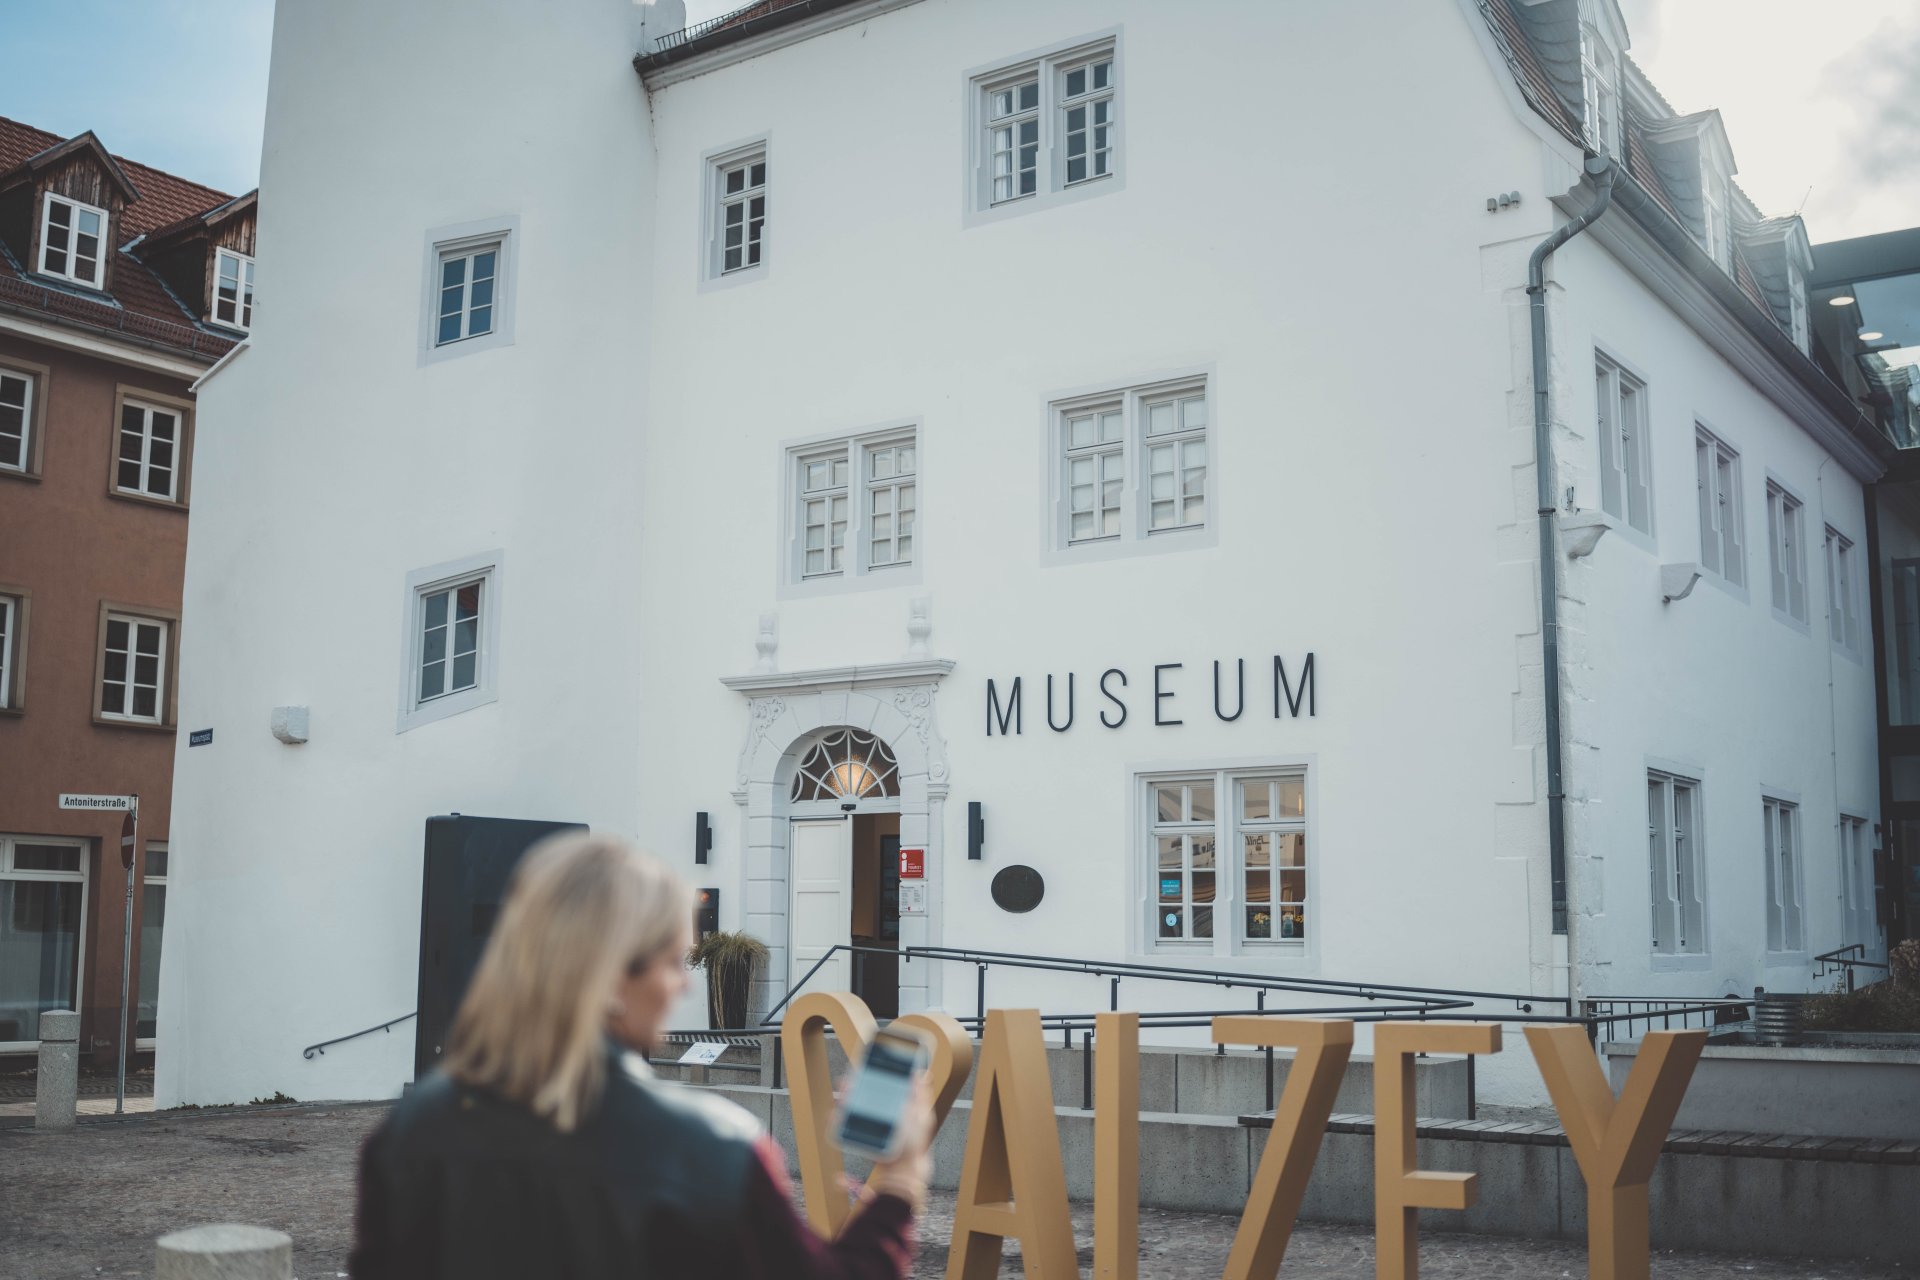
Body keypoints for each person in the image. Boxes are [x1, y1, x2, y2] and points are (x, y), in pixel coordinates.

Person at [348, 833, 932, 1279]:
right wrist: (903, 1178)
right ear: (609, 978)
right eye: (674, 961)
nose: (684, 985)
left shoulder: (411, 1129)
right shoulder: (714, 1149)